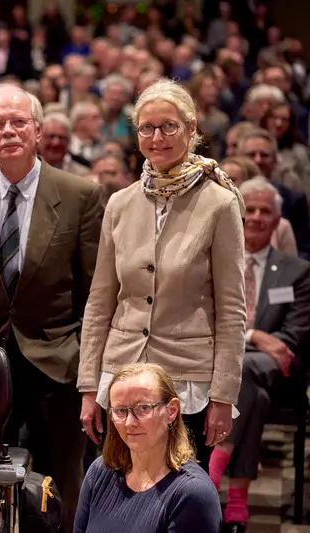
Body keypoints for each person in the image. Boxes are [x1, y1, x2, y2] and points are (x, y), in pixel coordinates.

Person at [0, 82, 103, 532]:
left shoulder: (80, 195)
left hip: (57, 362)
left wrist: (88, 369)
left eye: (18, 122)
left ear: (38, 131)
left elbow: (94, 295)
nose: (8, 131)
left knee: (59, 484)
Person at [78, 78, 247, 470]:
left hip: (188, 381)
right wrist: (88, 386)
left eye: (169, 126)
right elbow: (100, 302)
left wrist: (224, 395)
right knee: (119, 489)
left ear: (191, 128)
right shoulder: (119, 204)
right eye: (147, 128)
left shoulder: (220, 204)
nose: (158, 138)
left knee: (179, 491)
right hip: (120, 374)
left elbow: (232, 309)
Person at [207, 177, 310, 532]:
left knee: (246, 367)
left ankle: (215, 468)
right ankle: (237, 502)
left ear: (278, 220)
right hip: (234, 363)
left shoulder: (297, 271)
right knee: (253, 390)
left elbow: (292, 337)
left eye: (265, 211)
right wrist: (253, 335)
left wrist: (253, 343)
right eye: (249, 209)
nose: (255, 217)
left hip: (277, 367)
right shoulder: (216, 261)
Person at [74, 363, 222, 532]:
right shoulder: (99, 471)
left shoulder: (193, 494)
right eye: (120, 411)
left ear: (172, 411)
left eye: (143, 408)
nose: (130, 422)